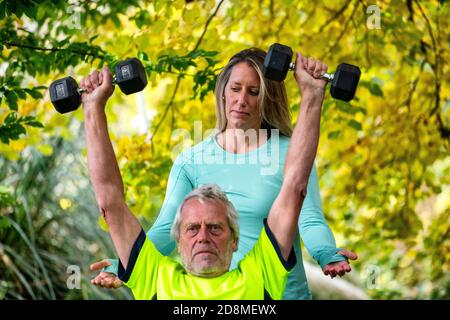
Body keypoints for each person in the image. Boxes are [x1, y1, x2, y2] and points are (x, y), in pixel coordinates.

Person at [88, 48, 357, 299]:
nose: (242, 100)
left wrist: (325, 253)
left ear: (268, 97)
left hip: (272, 289)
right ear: (223, 92)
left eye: (253, 91)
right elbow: (165, 229)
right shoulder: (191, 160)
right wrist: (126, 262)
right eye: (235, 89)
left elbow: (308, 219)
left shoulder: (293, 153)